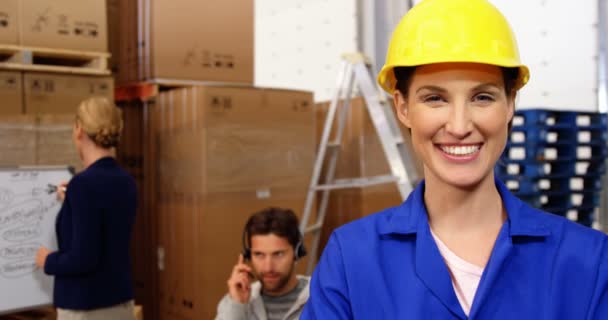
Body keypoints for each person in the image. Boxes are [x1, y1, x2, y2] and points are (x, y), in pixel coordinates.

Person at [301, 0, 608, 319]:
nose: (460, 127)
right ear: (402, 108)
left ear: (510, 104)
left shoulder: (590, 262)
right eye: (435, 98)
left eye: (482, 97)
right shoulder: (351, 260)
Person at [35, 97, 137, 320]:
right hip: (121, 304)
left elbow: (84, 257)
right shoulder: (126, 181)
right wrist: (71, 201)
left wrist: (48, 261)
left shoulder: (83, 185)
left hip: (86, 309)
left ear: (79, 129)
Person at [216, 207, 310, 320]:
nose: (268, 267)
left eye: (278, 254)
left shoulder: (320, 296)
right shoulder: (235, 301)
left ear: (297, 252)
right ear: (248, 255)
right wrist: (237, 307)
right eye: (259, 254)